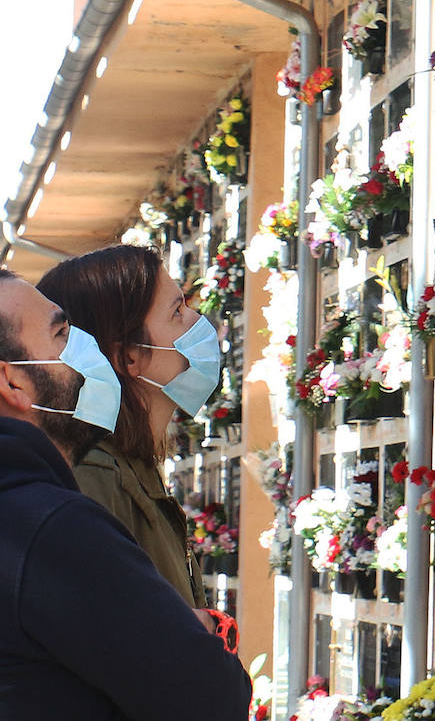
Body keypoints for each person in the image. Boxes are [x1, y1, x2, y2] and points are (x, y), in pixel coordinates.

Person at [0, 268, 250, 719]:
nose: (84, 348)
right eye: (61, 334)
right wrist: (200, 637)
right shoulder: (56, 523)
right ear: (13, 382)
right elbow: (205, 696)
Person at [37, 245, 217, 607]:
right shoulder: (94, 478)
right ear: (128, 357)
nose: (198, 322)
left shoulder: (135, 467)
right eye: (178, 312)